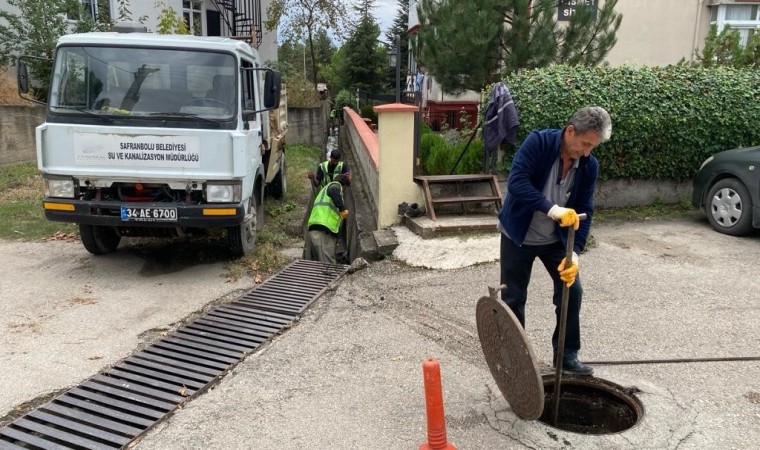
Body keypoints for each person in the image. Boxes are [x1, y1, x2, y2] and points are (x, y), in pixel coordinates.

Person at [497, 106, 612, 376]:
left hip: (555, 241)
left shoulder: (588, 165)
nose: (586, 152)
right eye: (585, 144)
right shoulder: (539, 142)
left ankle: (566, 356)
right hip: (518, 234)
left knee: (573, 291)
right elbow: (517, 183)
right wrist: (552, 209)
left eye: (592, 147)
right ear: (570, 131)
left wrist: (575, 254)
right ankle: (516, 361)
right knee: (513, 298)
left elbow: (586, 208)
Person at [307, 174, 350, 264]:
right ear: (344, 185)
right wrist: (342, 209)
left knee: (319, 266)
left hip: (317, 229)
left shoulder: (324, 190)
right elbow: (334, 190)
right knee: (328, 266)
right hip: (323, 230)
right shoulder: (335, 186)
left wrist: (336, 238)